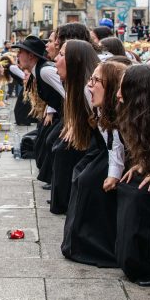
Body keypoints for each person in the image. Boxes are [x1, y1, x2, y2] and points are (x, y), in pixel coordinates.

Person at [61, 58, 128, 266]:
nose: (90, 85)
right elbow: (112, 144)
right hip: (110, 155)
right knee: (83, 177)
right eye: (91, 79)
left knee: (91, 182)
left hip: (129, 161)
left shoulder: (120, 110)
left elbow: (118, 145)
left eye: (96, 80)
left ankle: (101, 246)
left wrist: (114, 174)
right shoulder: (100, 109)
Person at [114, 64, 150, 286]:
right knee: (129, 185)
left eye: (122, 88)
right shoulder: (131, 114)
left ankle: (146, 266)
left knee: (142, 195)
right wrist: (145, 164)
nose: (118, 94)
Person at [47, 39, 99, 215]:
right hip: (92, 144)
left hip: (102, 148)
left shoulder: (88, 90)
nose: (55, 59)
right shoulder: (74, 87)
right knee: (59, 146)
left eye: (61, 54)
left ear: (75, 61)